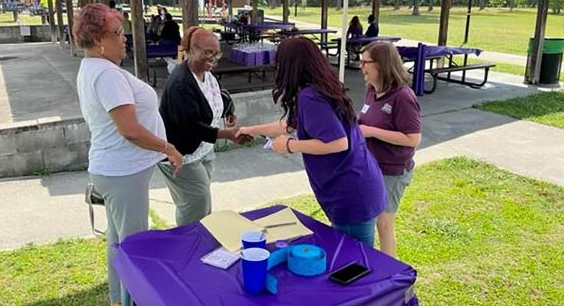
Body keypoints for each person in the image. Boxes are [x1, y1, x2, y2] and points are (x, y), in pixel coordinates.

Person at [74, 3, 182, 306]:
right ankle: (133, 300)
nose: (125, 39)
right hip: (122, 173)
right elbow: (130, 129)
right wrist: (168, 148)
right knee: (134, 248)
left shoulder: (95, 68)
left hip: (115, 170)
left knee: (118, 243)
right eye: (118, 33)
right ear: (98, 40)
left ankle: (118, 300)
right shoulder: (107, 75)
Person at [238, 37, 386, 247]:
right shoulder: (321, 88)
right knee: (354, 259)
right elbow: (289, 125)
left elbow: (338, 142)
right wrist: (250, 130)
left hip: (351, 194)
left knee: (354, 264)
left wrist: (289, 146)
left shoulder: (311, 96)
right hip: (361, 185)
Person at [158, 27, 252, 226]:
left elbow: (218, 93)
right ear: (191, 50)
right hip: (181, 153)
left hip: (203, 149)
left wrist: (229, 110)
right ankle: (189, 245)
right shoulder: (181, 84)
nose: (213, 58)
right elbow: (190, 127)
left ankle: (196, 242)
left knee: (196, 203)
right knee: (196, 206)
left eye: (216, 52)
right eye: (206, 52)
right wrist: (228, 134)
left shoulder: (205, 73)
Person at [358, 41, 421, 258]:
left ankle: (389, 274)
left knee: (384, 224)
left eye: (366, 62)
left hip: (392, 171)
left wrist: (372, 131)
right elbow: (366, 119)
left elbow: (413, 138)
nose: (362, 67)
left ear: (382, 65)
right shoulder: (371, 91)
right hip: (371, 167)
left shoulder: (403, 97)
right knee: (371, 220)